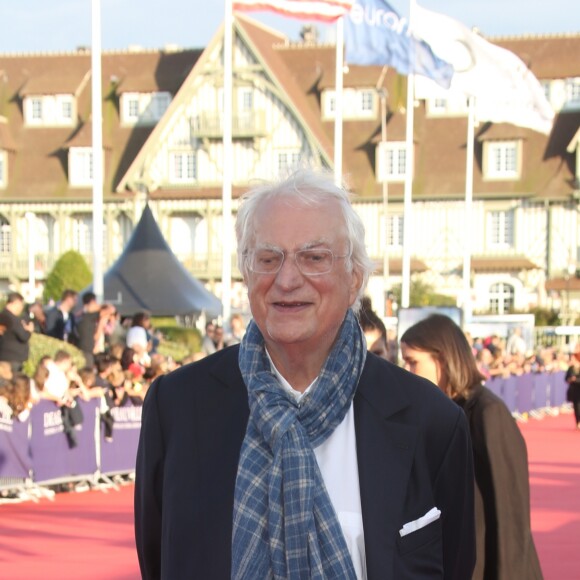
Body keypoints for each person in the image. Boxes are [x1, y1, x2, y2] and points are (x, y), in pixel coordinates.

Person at [135, 168, 475, 579]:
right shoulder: (178, 409)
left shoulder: (430, 421)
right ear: (246, 274)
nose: (287, 279)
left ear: (353, 280)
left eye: (314, 258)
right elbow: (158, 561)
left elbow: (454, 565)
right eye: (268, 258)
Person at [400, 314, 543, 580]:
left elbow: (510, 514)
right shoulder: (445, 414)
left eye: (413, 362)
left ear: (442, 359)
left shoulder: (488, 413)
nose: (407, 371)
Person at [0, 292, 34, 374]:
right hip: (13, 359)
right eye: (21, 305)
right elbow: (23, 336)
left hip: (6, 356)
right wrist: (29, 330)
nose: (21, 308)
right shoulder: (12, 319)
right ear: (15, 303)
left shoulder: (3, 316)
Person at [565, 343, 580, 430]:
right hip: (573, 390)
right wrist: (570, 380)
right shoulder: (571, 368)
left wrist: (576, 380)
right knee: (575, 406)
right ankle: (577, 421)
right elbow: (566, 378)